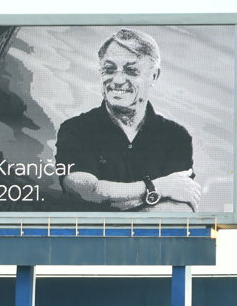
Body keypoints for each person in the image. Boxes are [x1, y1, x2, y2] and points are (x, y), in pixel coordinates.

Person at [56, 27, 201, 213]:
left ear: (154, 76)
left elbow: (180, 209)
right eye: (109, 69)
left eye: (131, 71)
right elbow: (83, 193)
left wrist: (111, 199)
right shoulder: (75, 129)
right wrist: (159, 188)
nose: (117, 80)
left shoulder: (176, 137)